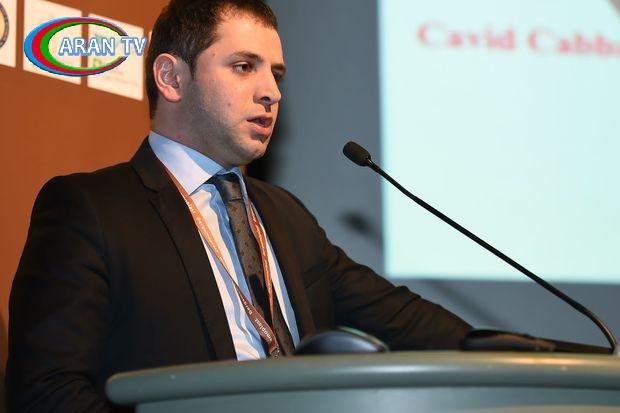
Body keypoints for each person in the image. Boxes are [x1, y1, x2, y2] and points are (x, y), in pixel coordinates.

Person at [6, 0, 471, 411]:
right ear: (171, 78)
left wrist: (510, 350)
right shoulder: (92, 210)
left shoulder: (287, 215)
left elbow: (400, 317)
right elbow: (46, 392)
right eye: (245, 66)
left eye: (276, 74)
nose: (272, 92)